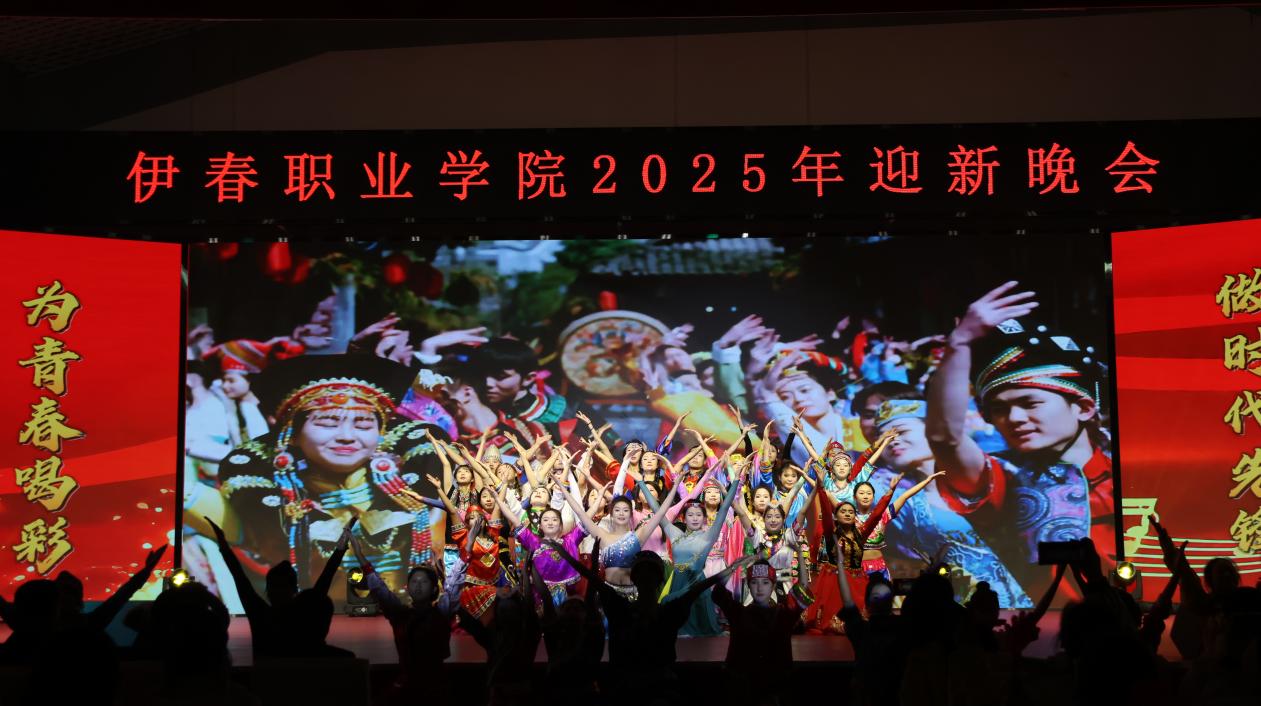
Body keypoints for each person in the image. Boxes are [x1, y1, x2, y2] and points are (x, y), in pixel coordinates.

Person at [200, 354, 450, 594]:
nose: (346, 436)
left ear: (381, 434)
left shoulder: (423, 482)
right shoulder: (261, 490)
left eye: (363, 425)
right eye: (327, 424)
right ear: (292, 435)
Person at [927, 282, 1112, 600]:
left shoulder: (1130, 470)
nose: (1013, 418)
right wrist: (959, 343)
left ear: (1083, 408)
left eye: (1030, 403)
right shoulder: (1001, 475)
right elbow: (945, 438)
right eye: (999, 409)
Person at [545, 539, 756, 703]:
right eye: (643, 574)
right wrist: (568, 556)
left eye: (649, 574)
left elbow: (697, 588)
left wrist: (731, 568)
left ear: (657, 580)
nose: (646, 579)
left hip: (653, 688)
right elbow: (594, 581)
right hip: (630, 688)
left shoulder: (650, 611)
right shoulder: (633, 609)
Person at [206, 516, 350, 659]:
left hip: (268, 674)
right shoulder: (305, 615)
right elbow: (327, 576)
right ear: (294, 589)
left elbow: (238, 575)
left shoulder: (260, 615)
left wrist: (223, 544)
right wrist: (341, 546)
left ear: (268, 589)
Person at [350, 536, 463, 705]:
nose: (418, 585)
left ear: (434, 588)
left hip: (436, 687)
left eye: (423, 582)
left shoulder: (441, 612)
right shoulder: (400, 615)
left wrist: (467, 549)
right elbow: (379, 588)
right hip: (408, 686)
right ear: (408, 587)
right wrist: (359, 554)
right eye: (414, 581)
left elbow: (455, 585)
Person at [638, 464, 744, 635]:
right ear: (684, 518)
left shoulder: (708, 536)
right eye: (690, 515)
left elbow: (724, 508)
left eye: (698, 515)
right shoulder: (675, 534)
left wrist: (736, 480)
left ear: (704, 518)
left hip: (697, 587)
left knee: (700, 635)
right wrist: (641, 483)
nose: (695, 518)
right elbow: (658, 510)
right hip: (677, 585)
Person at [711, 560, 806, 706]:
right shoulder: (739, 613)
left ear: (773, 586)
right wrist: (734, 567)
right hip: (744, 690)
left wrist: (800, 554)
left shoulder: (784, 615)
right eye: (754, 582)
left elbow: (803, 591)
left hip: (775, 689)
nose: (760, 588)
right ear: (748, 586)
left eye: (765, 582)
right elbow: (718, 592)